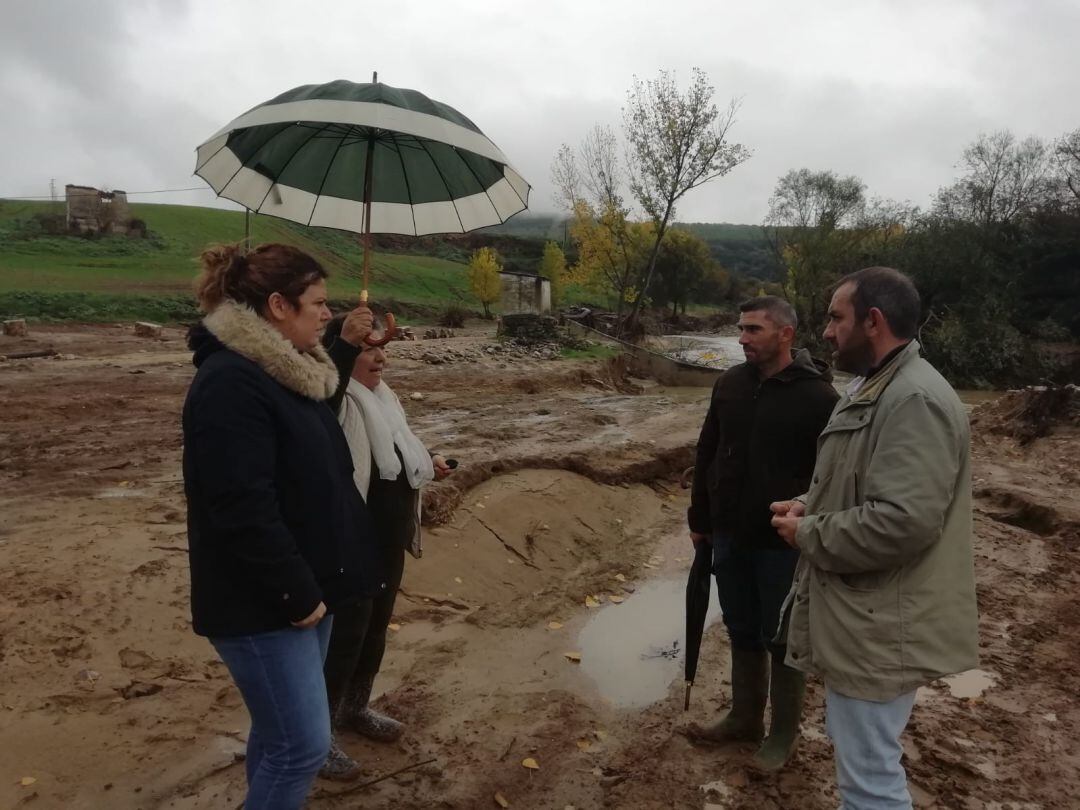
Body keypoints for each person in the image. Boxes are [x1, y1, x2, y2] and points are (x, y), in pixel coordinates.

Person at [182, 242, 382, 809]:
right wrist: (297, 594)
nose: (327, 313)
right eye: (318, 303)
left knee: (276, 735)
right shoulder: (231, 383)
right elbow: (241, 506)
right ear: (277, 305)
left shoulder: (293, 375)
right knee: (302, 747)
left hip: (304, 594)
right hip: (265, 604)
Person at [770, 267, 979, 808]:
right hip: (869, 619)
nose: (827, 331)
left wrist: (807, 533)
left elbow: (902, 521)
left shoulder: (912, 399)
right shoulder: (875, 385)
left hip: (884, 624)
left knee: (869, 778)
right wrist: (809, 503)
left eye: (837, 317)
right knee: (861, 759)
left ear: (874, 321)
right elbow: (862, 481)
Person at [685, 296, 839, 770]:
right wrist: (700, 519)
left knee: (782, 637)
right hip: (728, 534)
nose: (742, 338)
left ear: (786, 334)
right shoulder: (730, 384)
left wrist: (810, 527)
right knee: (742, 629)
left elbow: (831, 476)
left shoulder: (820, 398)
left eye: (753, 330)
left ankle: (782, 736)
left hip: (782, 543)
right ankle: (744, 719)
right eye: (741, 329)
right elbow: (708, 451)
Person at [318, 313, 454, 779]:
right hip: (352, 541)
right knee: (345, 638)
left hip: (388, 539)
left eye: (383, 350)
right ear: (342, 355)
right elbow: (325, 398)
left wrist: (428, 457)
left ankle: (355, 709)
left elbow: (398, 448)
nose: (380, 358)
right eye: (368, 349)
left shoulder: (385, 398)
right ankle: (319, 737)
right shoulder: (336, 400)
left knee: (375, 631)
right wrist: (343, 346)